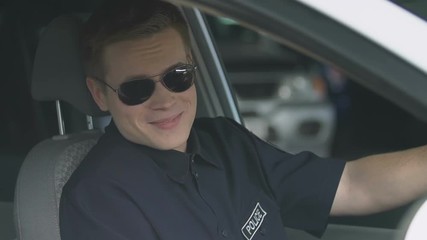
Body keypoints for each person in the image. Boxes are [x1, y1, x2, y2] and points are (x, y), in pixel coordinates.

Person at [59, 0, 427, 239]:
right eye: (136, 89)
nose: (165, 100)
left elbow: (352, 186)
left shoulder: (227, 142)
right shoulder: (97, 198)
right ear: (99, 93)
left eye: (178, 76)